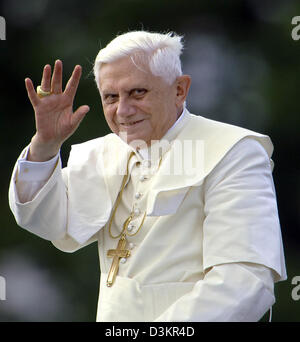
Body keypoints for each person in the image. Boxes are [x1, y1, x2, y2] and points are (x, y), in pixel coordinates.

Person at [9, 30, 286, 322]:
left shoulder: (234, 152)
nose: (123, 111)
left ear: (180, 90)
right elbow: (42, 219)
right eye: (111, 97)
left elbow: (245, 281)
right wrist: (45, 145)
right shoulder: (103, 153)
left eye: (137, 92)